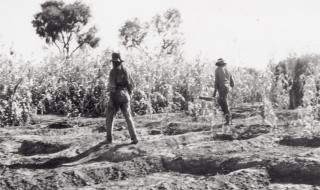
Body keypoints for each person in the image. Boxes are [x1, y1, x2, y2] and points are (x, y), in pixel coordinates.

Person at [105, 52, 138, 144]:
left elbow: (112, 87)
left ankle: (109, 139)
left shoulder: (113, 72)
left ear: (114, 62)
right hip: (126, 96)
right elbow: (132, 85)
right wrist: (129, 95)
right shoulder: (127, 70)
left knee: (109, 117)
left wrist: (111, 100)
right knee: (128, 117)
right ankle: (134, 138)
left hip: (116, 96)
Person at [213, 58, 234, 125]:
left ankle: (227, 118)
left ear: (218, 64)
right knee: (223, 101)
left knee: (222, 102)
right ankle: (227, 118)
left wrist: (214, 92)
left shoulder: (217, 69)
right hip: (227, 87)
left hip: (222, 87)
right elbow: (232, 83)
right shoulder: (228, 70)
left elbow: (216, 81)